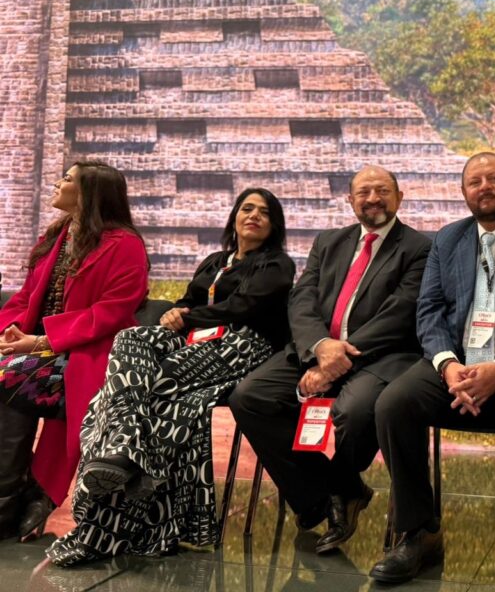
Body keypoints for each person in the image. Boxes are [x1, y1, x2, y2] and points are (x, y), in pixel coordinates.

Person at [46, 187, 295, 566]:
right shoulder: (215, 262)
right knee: (131, 342)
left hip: (244, 346)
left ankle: (100, 532)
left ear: (274, 225)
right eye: (247, 208)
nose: (254, 216)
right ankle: (125, 447)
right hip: (194, 344)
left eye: (264, 212)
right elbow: (189, 300)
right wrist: (177, 310)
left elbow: (244, 307)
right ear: (234, 217)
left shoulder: (277, 265)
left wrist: (187, 316)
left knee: (149, 393)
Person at [370, 152, 495, 592]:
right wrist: (447, 366)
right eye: (474, 182)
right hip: (458, 363)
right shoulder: (448, 239)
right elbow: (429, 311)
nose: (485, 187)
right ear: (463, 192)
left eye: (494, 178)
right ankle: (419, 531)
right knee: (394, 402)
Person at [229, 166, 431, 553]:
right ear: (350, 200)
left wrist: (339, 357)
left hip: (379, 356)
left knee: (354, 414)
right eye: (364, 192)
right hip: (316, 349)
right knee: (250, 397)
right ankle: (337, 491)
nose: (373, 199)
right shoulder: (329, 241)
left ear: (399, 197)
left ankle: (336, 490)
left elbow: (401, 312)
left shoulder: (419, 247)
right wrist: (321, 347)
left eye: (382, 190)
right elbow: (302, 299)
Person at [0, 161, 148, 542]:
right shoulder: (57, 236)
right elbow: (25, 298)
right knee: (8, 371)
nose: (57, 183)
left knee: (7, 378)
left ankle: (10, 500)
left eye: (67, 179)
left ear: (88, 194)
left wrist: (42, 341)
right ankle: (16, 497)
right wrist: (8, 331)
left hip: (87, 355)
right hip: (38, 350)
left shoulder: (125, 245)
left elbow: (111, 312)